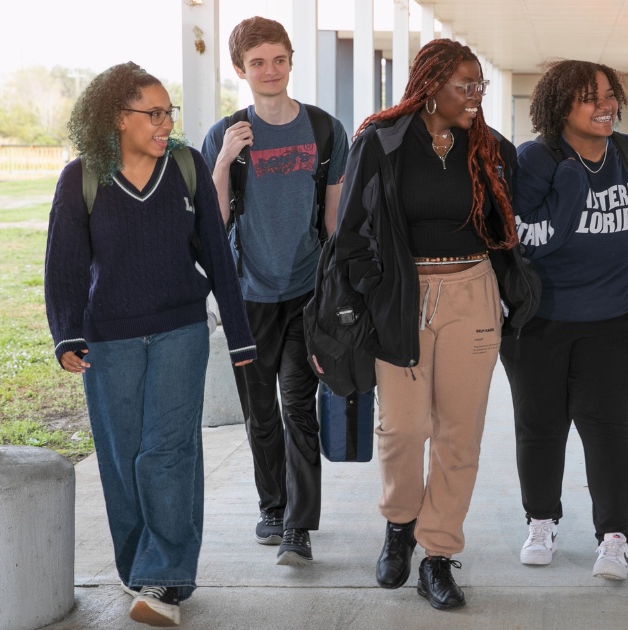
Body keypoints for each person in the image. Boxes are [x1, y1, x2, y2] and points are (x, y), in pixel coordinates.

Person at [45, 62, 256, 627]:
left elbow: (217, 254)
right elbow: (63, 266)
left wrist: (238, 336)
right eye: (154, 114)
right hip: (108, 342)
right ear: (119, 118)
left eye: (170, 113)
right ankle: (141, 569)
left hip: (179, 333)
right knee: (122, 459)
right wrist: (66, 332)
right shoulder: (82, 177)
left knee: (167, 454)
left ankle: (167, 573)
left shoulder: (186, 168)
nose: (167, 124)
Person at [332, 38, 534, 611]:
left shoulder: (491, 149)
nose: (474, 96)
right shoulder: (381, 142)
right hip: (401, 299)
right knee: (403, 428)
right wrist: (374, 290)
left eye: (479, 86)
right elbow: (350, 235)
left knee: (458, 434)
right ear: (429, 86)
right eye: (463, 85)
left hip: (473, 294)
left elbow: (504, 228)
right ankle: (400, 523)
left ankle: (438, 554)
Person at [502, 60, 628, 581]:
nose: (605, 105)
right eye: (590, 97)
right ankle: (540, 521)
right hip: (540, 323)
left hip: (617, 319)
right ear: (561, 106)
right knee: (540, 426)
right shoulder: (536, 160)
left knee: (606, 428)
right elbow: (525, 236)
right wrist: (570, 189)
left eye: (609, 95)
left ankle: (614, 537)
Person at [201, 16, 350, 567]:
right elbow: (214, 228)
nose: (270, 71)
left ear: (291, 62)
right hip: (248, 296)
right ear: (240, 70)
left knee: (299, 409)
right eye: (257, 62)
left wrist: (341, 296)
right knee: (260, 412)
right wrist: (221, 163)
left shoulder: (326, 130)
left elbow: (334, 223)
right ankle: (272, 506)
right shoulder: (225, 134)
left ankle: (298, 527)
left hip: (307, 293)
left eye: (279, 59)